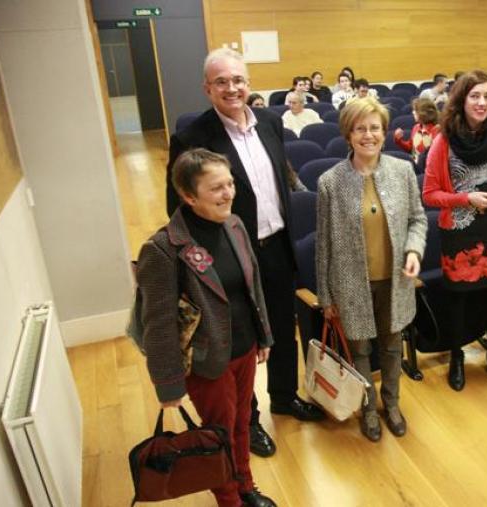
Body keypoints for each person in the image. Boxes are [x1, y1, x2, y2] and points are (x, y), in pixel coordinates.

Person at [166, 48, 324, 461]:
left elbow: (278, 181)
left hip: (276, 244)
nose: (231, 88)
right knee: (242, 340)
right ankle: (249, 421)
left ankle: (286, 397)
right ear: (207, 88)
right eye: (221, 82)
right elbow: (177, 204)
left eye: (237, 80)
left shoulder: (271, 121)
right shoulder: (192, 137)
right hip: (231, 256)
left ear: (248, 83)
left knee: (283, 328)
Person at [141, 148, 277, 507]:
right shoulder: (163, 249)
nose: (229, 193)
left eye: (230, 183)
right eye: (217, 188)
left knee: (243, 422)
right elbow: (157, 325)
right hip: (207, 362)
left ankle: (246, 486)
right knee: (220, 435)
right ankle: (229, 500)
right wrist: (168, 383)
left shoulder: (234, 224)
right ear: (188, 195)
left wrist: (263, 335)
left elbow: (253, 286)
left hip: (245, 348)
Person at [316, 98, 427, 442]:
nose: (369, 135)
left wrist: (413, 250)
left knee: (393, 347)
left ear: (384, 132)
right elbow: (324, 245)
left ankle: (391, 404)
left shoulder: (402, 170)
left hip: (395, 281)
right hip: (350, 285)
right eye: (360, 128)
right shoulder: (330, 183)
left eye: (375, 128)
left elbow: (418, 220)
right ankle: (368, 407)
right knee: (360, 350)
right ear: (348, 134)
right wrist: (325, 296)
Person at [422, 70, 487, 391]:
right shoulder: (443, 140)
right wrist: (466, 198)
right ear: (461, 100)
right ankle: (458, 356)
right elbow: (429, 194)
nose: (482, 102)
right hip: (459, 232)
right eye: (475, 96)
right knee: (458, 299)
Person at [394, 97, 440, 163]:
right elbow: (410, 148)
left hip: (430, 166)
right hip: (415, 165)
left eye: (415, 110)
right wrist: (399, 140)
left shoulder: (437, 130)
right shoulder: (416, 127)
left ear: (423, 114)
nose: (413, 112)